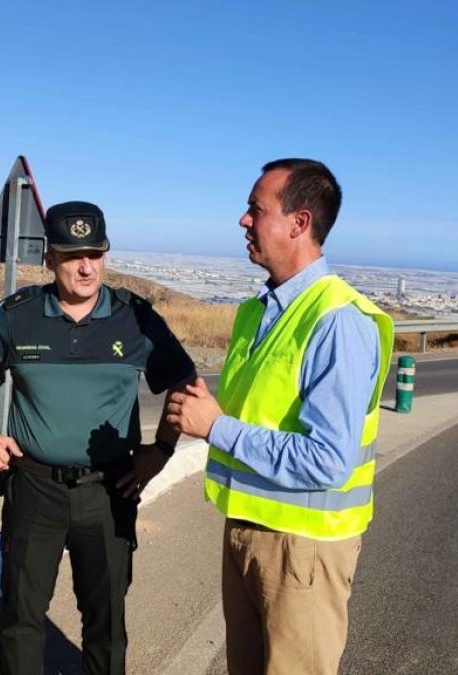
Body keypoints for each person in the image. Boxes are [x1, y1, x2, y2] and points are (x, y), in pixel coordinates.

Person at [167, 158, 394, 675]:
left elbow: (328, 461)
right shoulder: (258, 312)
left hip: (302, 550)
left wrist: (215, 427)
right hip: (247, 530)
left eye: (255, 209)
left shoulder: (338, 321)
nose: (243, 221)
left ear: (299, 222)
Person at [0, 201, 197, 674]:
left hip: (110, 490)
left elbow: (186, 386)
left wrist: (162, 451)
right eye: (71, 255)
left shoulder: (136, 319)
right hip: (33, 489)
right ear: (50, 259)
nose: (85, 266)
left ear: (105, 254)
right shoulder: (17, 315)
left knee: (106, 625)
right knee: (21, 619)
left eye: (95, 253)